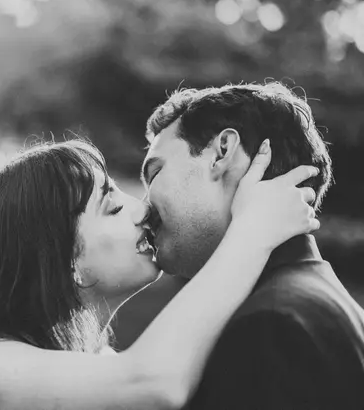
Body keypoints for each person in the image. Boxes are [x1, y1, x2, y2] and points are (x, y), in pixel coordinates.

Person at [0, 135, 319, 410]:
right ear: (62, 259)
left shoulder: (99, 360)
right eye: (114, 207)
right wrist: (252, 231)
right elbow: (155, 384)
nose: (143, 209)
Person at [142, 82, 364, 409]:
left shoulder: (269, 326)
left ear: (222, 151)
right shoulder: (323, 305)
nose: (143, 207)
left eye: (155, 172)